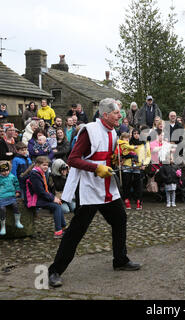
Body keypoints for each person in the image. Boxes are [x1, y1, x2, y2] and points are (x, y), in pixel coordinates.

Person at [47, 98, 141, 288]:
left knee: (120, 219)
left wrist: (120, 161)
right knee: (76, 231)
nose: (120, 116)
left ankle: (120, 260)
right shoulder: (89, 130)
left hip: (108, 187)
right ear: (105, 114)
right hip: (90, 188)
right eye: (116, 113)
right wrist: (96, 169)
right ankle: (54, 270)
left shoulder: (113, 132)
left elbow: (109, 157)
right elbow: (73, 159)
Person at [26, 156, 66, 238]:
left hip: (39, 197)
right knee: (56, 207)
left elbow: (44, 191)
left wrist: (54, 198)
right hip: (34, 199)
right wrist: (53, 198)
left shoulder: (40, 173)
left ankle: (63, 227)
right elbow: (40, 192)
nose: (46, 167)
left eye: (47, 165)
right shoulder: (35, 175)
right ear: (37, 165)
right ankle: (58, 232)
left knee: (58, 204)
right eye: (44, 165)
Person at [0, 161, 23, 236]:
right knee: (2, 209)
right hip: (0, 196)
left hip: (11, 195)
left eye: (7, 170)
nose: (5, 173)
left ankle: (17, 221)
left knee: (15, 205)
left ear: (9, 169)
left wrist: (17, 191)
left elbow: (16, 183)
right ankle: (3, 226)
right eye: (3, 171)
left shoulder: (11, 176)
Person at [121, 128, 151, 210]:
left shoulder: (145, 143)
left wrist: (145, 164)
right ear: (132, 134)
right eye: (134, 133)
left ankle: (138, 201)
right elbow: (122, 152)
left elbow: (148, 155)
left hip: (138, 165)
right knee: (126, 183)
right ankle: (127, 200)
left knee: (138, 185)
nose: (136, 135)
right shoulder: (128, 142)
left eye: (138, 133)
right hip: (127, 165)